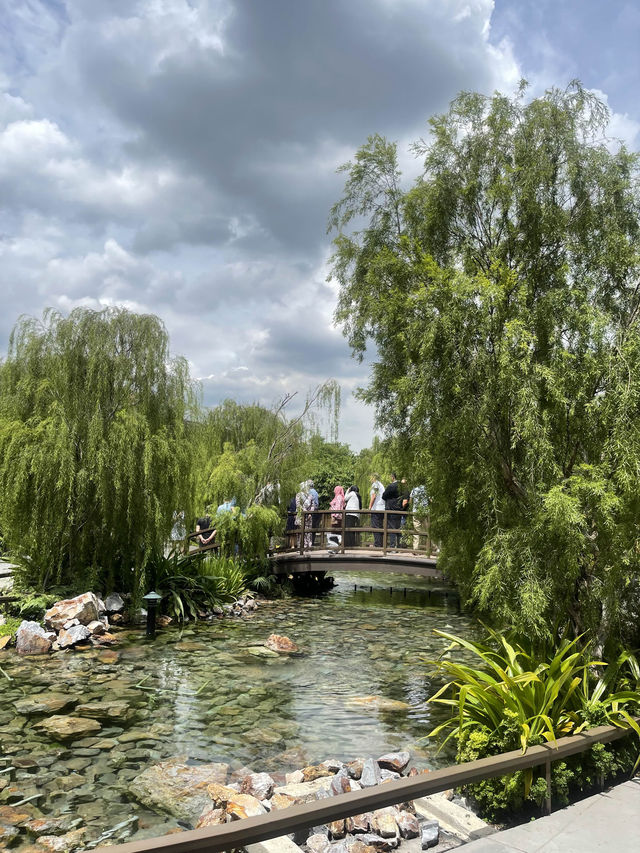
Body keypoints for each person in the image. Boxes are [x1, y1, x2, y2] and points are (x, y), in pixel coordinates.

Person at [382, 473, 402, 548]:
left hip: (391, 508)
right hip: (399, 508)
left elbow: (384, 496)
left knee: (391, 527)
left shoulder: (391, 486)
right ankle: (399, 545)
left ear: (393, 477)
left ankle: (392, 546)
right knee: (398, 527)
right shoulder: (401, 486)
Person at [410, 484, 430, 552]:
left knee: (416, 531)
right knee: (428, 530)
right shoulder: (427, 489)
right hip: (425, 512)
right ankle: (434, 547)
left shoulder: (414, 489)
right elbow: (431, 500)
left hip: (416, 512)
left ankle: (415, 549)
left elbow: (410, 501)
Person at [295, 480, 314, 550]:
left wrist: (310, 513)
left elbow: (313, 505)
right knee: (300, 531)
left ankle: (308, 546)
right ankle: (300, 547)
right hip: (301, 516)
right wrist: (306, 512)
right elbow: (298, 505)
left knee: (308, 531)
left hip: (309, 516)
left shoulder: (310, 495)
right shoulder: (298, 495)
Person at [369, 474, 385, 548]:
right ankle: (380, 543)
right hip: (381, 508)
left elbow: (373, 496)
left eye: (371, 477)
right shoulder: (381, 485)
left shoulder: (375, 484)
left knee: (375, 526)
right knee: (379, 526)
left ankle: (377, 544)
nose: (370, 479)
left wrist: (370, 507)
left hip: (376, 509)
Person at [308, 480, 321, 545]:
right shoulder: (315, 492)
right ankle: (311, 542)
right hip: (316, 510)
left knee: (309, 527)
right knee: (313, 527)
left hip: (311, 511)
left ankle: (309, 543)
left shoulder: (309, 492)